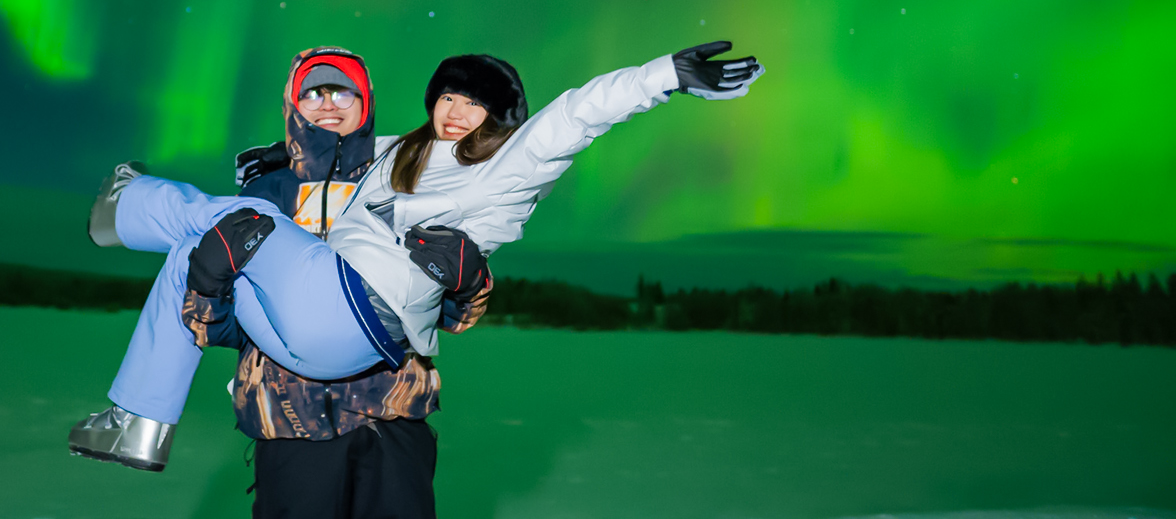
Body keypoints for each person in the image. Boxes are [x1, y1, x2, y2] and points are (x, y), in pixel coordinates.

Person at [71, 41, 763, 473]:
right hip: (307, 345)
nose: (457, 112)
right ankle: (137, 420)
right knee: (200, 245)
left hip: (358, 319)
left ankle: (126, 205)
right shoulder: (407, 155)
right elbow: (354, 145)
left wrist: (663, 76)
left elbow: (575, 116)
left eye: (477, 104)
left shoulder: (509, 171)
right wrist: (287, 153)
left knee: (237, 219)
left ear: (505, 121)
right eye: (449, 97)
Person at [75, 46, 490, 519]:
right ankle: (129, 210)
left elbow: (447, 316)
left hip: (392, 419)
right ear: (292, 104)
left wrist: (467, 279)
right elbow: (221, 327)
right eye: (314, 92)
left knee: (235, 224)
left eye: (344, 91)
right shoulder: (265, 192)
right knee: (236, 228)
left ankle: (129, 209)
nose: (330, 103)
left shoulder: (406, 180)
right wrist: (209, 285)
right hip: (292, 425)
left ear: (366, 101)